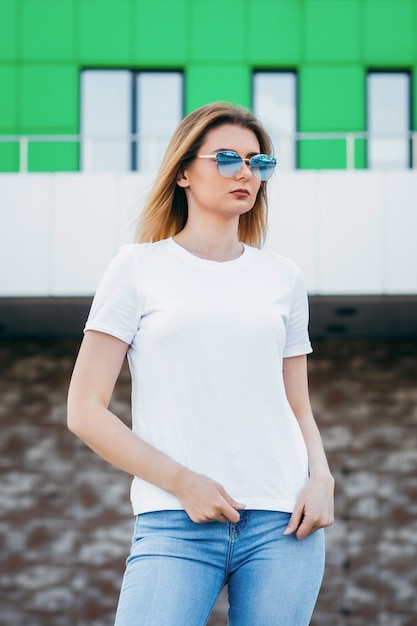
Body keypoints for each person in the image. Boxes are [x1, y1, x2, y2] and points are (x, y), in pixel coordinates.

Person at [67, 101, 334, 626]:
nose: (246, 173)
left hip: (284, 524)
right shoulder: (137, 268)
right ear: (184, 171)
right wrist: (182, 481)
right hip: (174, 520)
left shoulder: (283, 277)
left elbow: (297, 407)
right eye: (228, 157)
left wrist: (322, 477)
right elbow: (84, 410)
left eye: (258, 162)